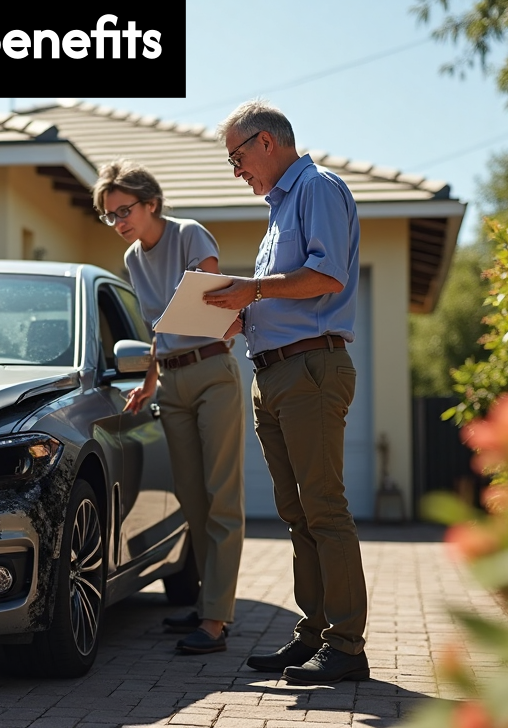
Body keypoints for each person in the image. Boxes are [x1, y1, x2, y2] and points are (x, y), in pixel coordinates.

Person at [203, 100, 370, 684]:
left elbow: (327, 277)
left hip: (309, 373)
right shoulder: (279, 211)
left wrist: (250, 290)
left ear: (266, 141)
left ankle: (348, 647)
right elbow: (280, 296)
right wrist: (239, 317)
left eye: (237, 156)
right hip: (273, 373)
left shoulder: (318, 189)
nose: (236, 170)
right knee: (298, 513)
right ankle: (315, 634)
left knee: (323, 508)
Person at [92, 159, 245, 656]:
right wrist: (150, 381)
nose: (118, 223)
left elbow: (210, 302)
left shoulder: (189, 236)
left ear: (151, 203)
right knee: (192, 500)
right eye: (110, 216)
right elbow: (159, 326)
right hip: (173, 381)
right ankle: (206, 605)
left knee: (221, 497)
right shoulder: (134, 259)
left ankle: (218, 620)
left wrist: (185, 323)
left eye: (124, 211)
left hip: (211, 372)